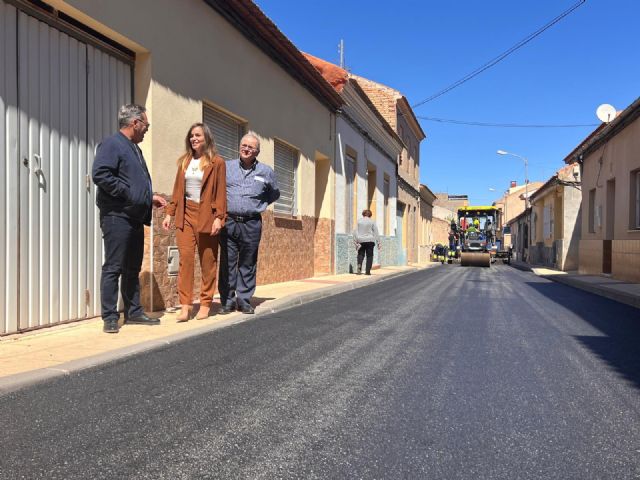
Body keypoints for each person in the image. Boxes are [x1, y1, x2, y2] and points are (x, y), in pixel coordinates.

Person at [92, 104, 167, 334]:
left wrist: (148, 197)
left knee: (132, 267)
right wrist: (129, 194)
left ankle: (134, 312)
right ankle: (110, 317)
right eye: (146, 125)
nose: (146, 130)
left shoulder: (134, 148)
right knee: (114, 266)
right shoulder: (112, 144)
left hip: (134, 216)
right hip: (118, 216)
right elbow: (100, 174)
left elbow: (134, 181)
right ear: (135, 123)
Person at [162, 123, 227, 322]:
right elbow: (176, 190)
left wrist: (219, 217)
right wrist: (169, 214)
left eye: (198, 135)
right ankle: (185, 306)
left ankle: (206, 303)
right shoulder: (184, 162)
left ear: (206, 138)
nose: (194, 139)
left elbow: (220, 192)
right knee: (186, 261)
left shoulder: (217, 162)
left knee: (208, 261)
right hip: (185, 214)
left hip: (206, 214)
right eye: (191, 136)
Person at [218, 132, 280, 315]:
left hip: (252, 223)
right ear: (239, 147)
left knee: (248, 262)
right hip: (228, 222)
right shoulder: (226, 167)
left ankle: (244, 299)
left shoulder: (266, 171)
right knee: (227, 263)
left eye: (250, 147)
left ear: (257, 152)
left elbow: (274, 194)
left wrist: (258, 204)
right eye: (244, 145)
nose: (246, 149)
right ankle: (227, 301)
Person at [353, 209, 380, 275]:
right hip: (370, 240)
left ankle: (359, 267)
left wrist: (355, 241)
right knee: (369, 256)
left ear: (363, 214)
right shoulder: (372, 221)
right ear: (370, 214)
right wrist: (378, 242)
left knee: (360, 254)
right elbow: (376, 232)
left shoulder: (359, 221)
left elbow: (355, 231)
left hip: (361, 240)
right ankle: (367, 271)